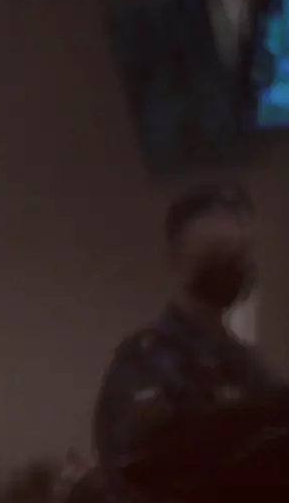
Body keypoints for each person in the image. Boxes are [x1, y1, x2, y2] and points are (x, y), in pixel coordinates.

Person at [92, 181, 289, 503]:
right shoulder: (145, 362)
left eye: (239, 253)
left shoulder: (246, 365)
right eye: (216, 252)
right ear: (177, 259)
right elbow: (146, 463)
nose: (232, 265)